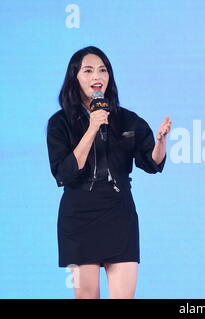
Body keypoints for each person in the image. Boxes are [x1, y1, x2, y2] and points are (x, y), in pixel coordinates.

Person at [46, 46, 171, 299]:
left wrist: (161, 142)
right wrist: (92, 127)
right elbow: (64, 173)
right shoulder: (60, 123)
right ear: (75, 77)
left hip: (118, 213)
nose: (97, 76)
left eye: (103, 70)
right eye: (88, 70)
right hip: (79, 216)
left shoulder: (127, 119)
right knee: (86, 296)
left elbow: (151, 163)